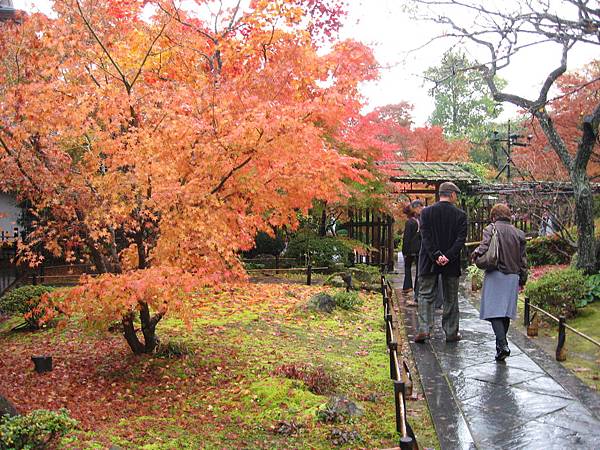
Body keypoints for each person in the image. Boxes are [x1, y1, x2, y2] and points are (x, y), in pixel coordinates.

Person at [472, 203, 527, 361]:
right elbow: (523, 260)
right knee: (505, 313)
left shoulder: (491, 228)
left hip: (496, 273)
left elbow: (484, 246)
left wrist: (475, 254)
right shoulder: (519, 233)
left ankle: (503, 344)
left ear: (494, 216)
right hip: (513, 276)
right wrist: (523, 278)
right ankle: (499, 349)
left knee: (493, 311)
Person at [414, 182, 467, 343]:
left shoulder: (426, 213)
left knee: (425, 295)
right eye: (456, 195)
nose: (456, 198)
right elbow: (460, 240)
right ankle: (451, 332)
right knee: (451, 297)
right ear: (451, 195)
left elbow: (426, 237)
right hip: (451, 263)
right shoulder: (460, 215)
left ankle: (424, 329)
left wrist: (436, 255)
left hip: (429, 261)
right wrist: (448, 256)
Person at [401, 199, 424, 301]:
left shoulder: (409, 222)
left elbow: (406, 238)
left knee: (407, 267)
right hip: (419, 248)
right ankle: (417, 289)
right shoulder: (421, 221)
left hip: (410, 249)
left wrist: (404, 251)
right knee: (419, 270)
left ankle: (407, 286)